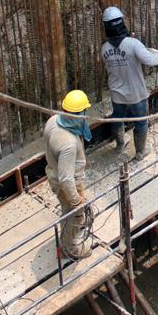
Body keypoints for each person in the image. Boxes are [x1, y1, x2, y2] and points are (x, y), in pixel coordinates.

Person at [100, 6, 158, 159]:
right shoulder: (133, 44)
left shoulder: (104, 48)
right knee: (140, 122)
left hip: (117, 94)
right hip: (135, 94)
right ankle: (140, 152)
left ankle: (120, 145)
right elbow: (151, 61)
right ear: (122, 23)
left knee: (118, 119)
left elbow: (118, 53)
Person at [44, 90, 94, 260]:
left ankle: (68, 233)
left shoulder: (54, 121)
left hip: (54, 172)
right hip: (66, 183)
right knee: (75, 215)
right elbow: (66, 179)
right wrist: (77, 201)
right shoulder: (68, 144)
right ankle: (69, 249)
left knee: (69, 213)